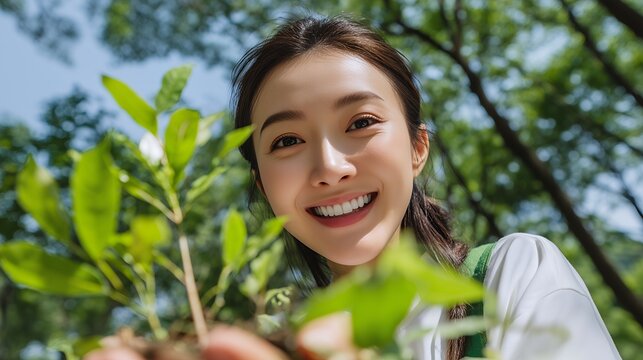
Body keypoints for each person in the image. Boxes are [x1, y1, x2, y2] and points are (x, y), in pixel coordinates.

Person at [86, 15, 621, 360]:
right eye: (287, 140)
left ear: (417, 148)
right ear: (263, 185)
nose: (329, 167)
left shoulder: (513, 276)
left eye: (361, 122)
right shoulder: (272, 340)